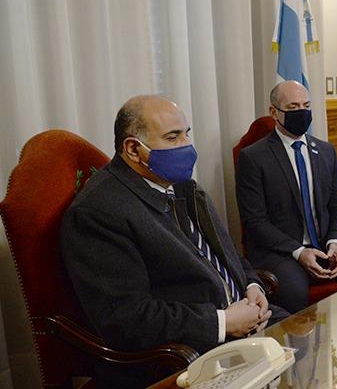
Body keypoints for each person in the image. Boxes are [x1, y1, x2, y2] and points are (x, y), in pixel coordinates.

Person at [61, 95, 288, 388]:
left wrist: (251, 285)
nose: (187, 146)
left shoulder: (182, 186)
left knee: (315, 345)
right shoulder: (99, 213)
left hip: (246, 322)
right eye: (172, 137)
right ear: (133, 148)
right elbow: (127, 319)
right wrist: (223, 322)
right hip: (190, 351)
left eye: (186, 134)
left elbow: (225, 252)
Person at [235, 80, 337, 314]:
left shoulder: (325, 151)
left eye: (306, 105)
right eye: (293, 107)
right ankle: (297, 350)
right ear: (274, 112)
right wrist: (299, 252)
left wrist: (335, 242)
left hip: (325, 244)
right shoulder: (253, 158)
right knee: (293, 296)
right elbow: (255, 222)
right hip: (281, 252)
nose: (302, 112)